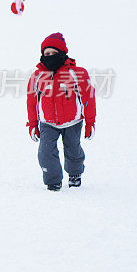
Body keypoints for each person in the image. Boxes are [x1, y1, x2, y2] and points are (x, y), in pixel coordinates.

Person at [26, 33, 96, 191]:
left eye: (54, 53)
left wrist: (90, 123)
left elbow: (88, 99)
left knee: (73, 149)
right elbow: (32, 102)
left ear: (62, 53)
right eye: (46, 54)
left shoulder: (77, 73)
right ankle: (53, 181)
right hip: (47, 123)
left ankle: (75, 174)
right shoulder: (37, 76)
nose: (50, 56)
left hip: (73, 121)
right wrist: (32, 125)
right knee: (45, 152)